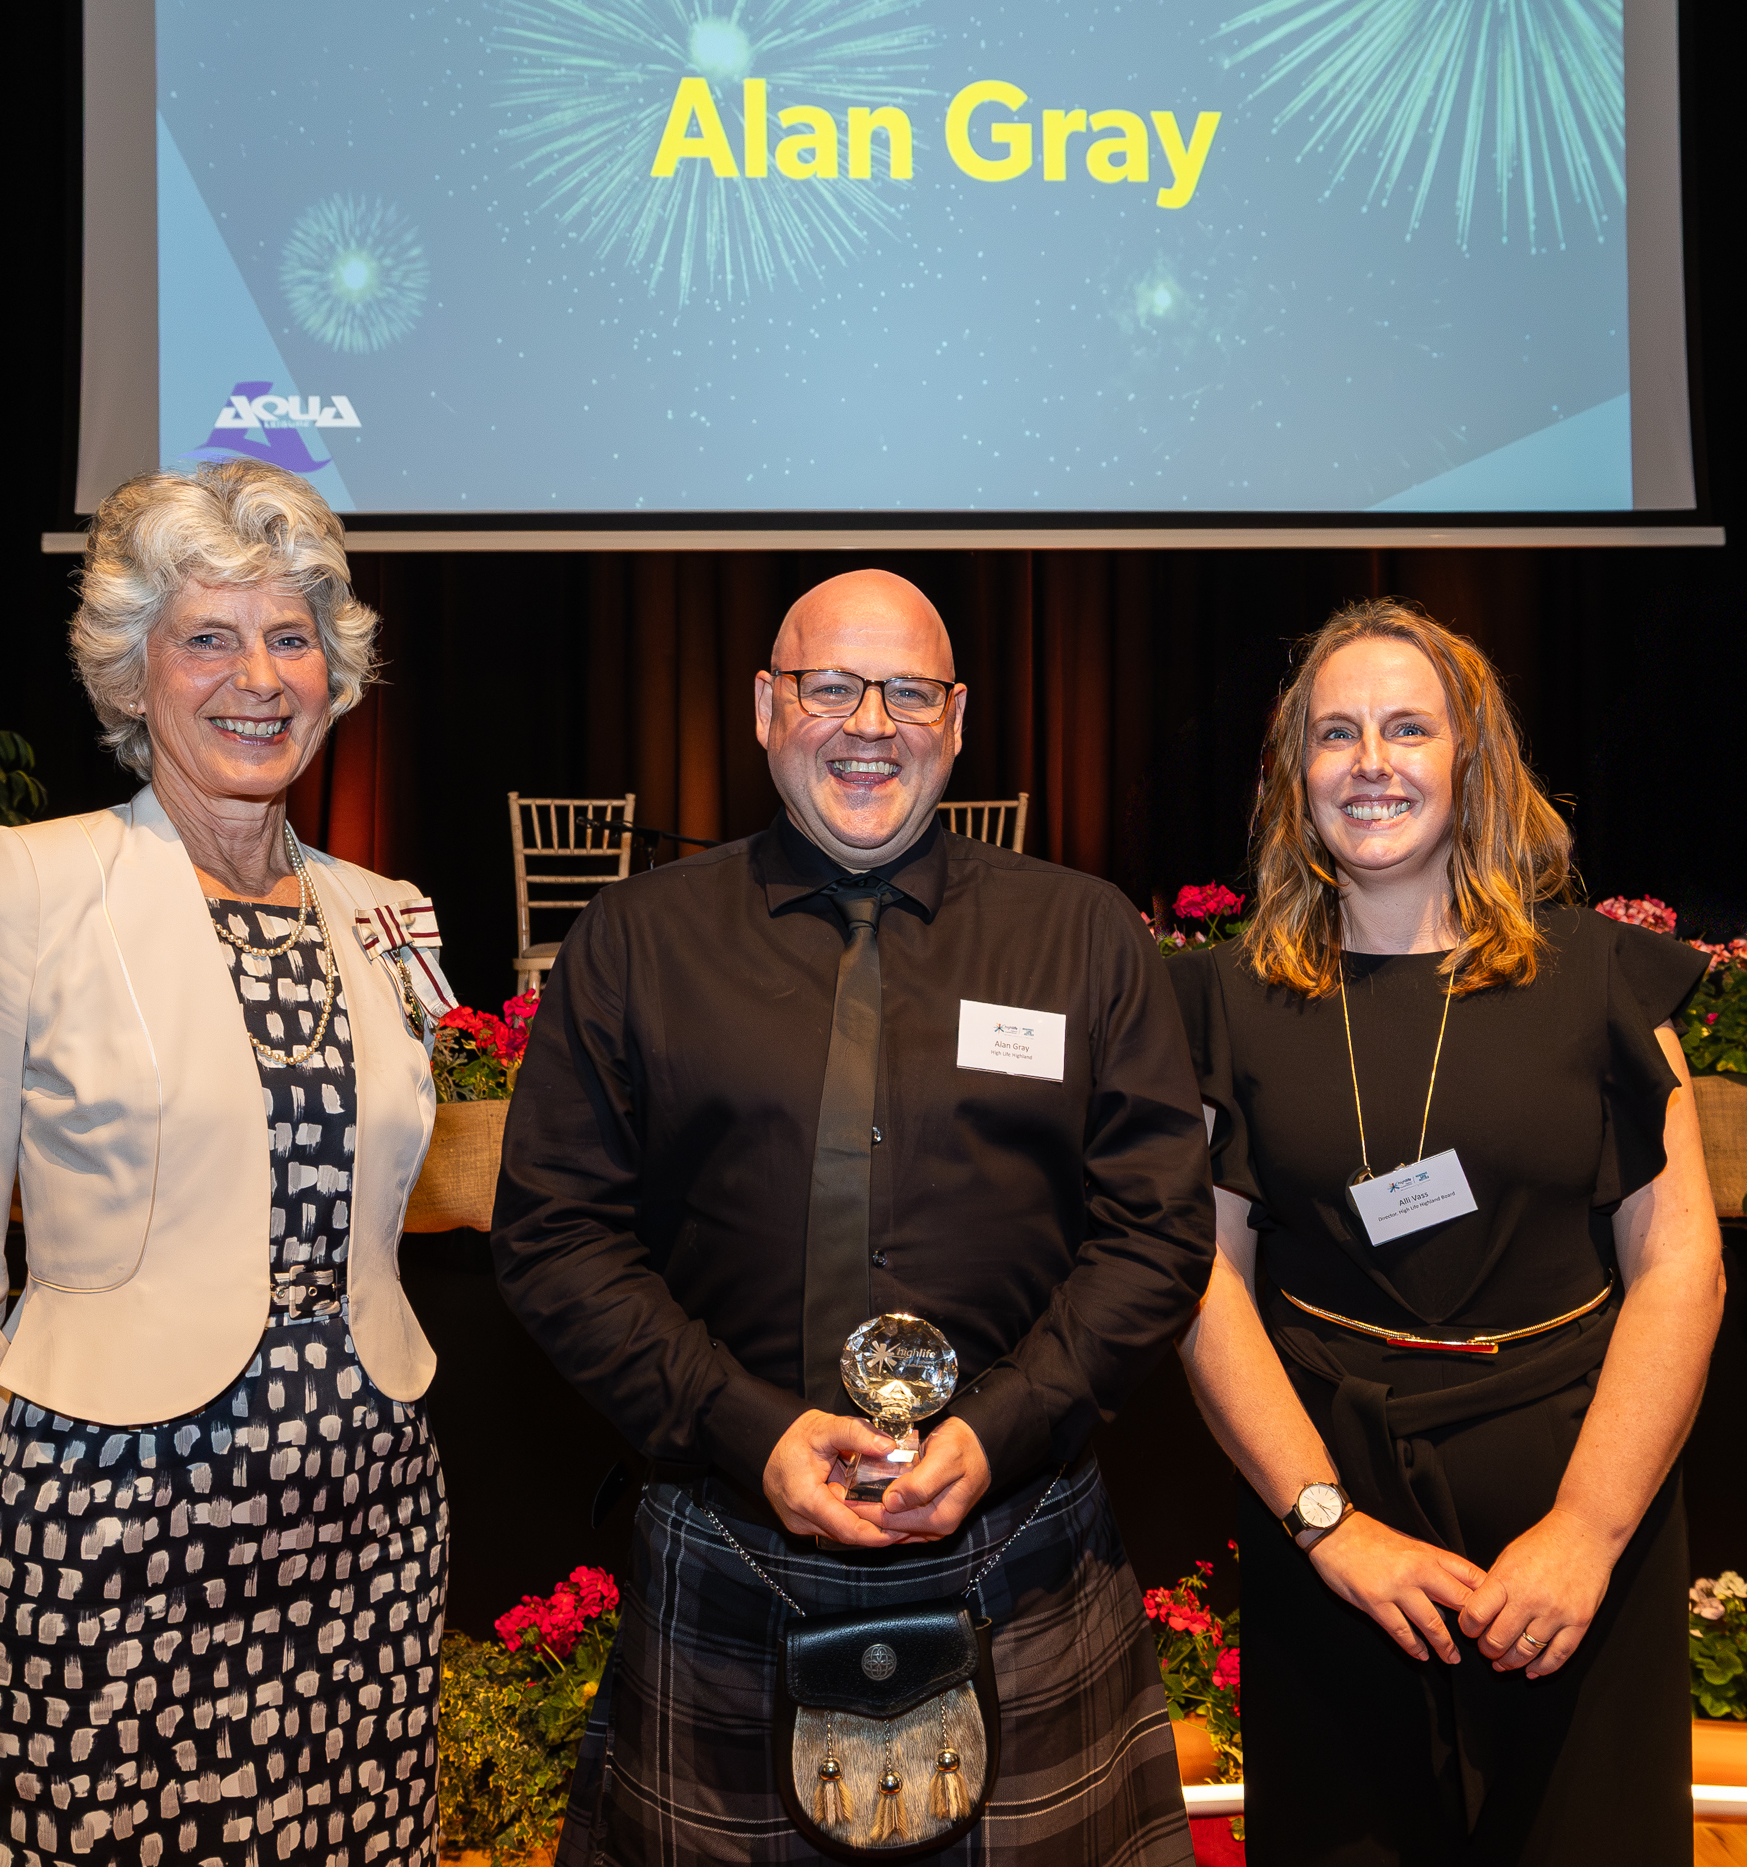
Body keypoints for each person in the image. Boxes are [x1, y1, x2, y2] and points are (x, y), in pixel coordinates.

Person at [491, 568, 1213, 1866]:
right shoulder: (632, 942)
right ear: (768, 707)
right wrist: (747, 1429)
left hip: (1023, 1545)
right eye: (831, 685)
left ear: (959, 717)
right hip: (730, 1541)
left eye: (909, 690)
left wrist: (997, 1430)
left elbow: (1157, 1235)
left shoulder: (1087, 936)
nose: (869, 720)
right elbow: (555, 1234)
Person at [0, 459, 456, 1867]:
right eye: (208, 635)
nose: (257, 675)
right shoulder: (24, 881)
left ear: (336, 673)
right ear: (135, 676)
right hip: (111, 1508)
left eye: (292, 635)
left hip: (365, 1494)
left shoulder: (392, 913)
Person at [1169, 599, 1723, 1866]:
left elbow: (1680, 1263)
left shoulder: (1597, 980)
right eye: (1335, 733)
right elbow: (1204, 1285)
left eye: (1407, 728)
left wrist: (1585, 1529)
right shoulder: (1227, 1003)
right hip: (1337, 1520)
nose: (1370, 762)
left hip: (1584, 1512)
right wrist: (1328, 1526)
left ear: (1471, 761)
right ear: (1293, 775)